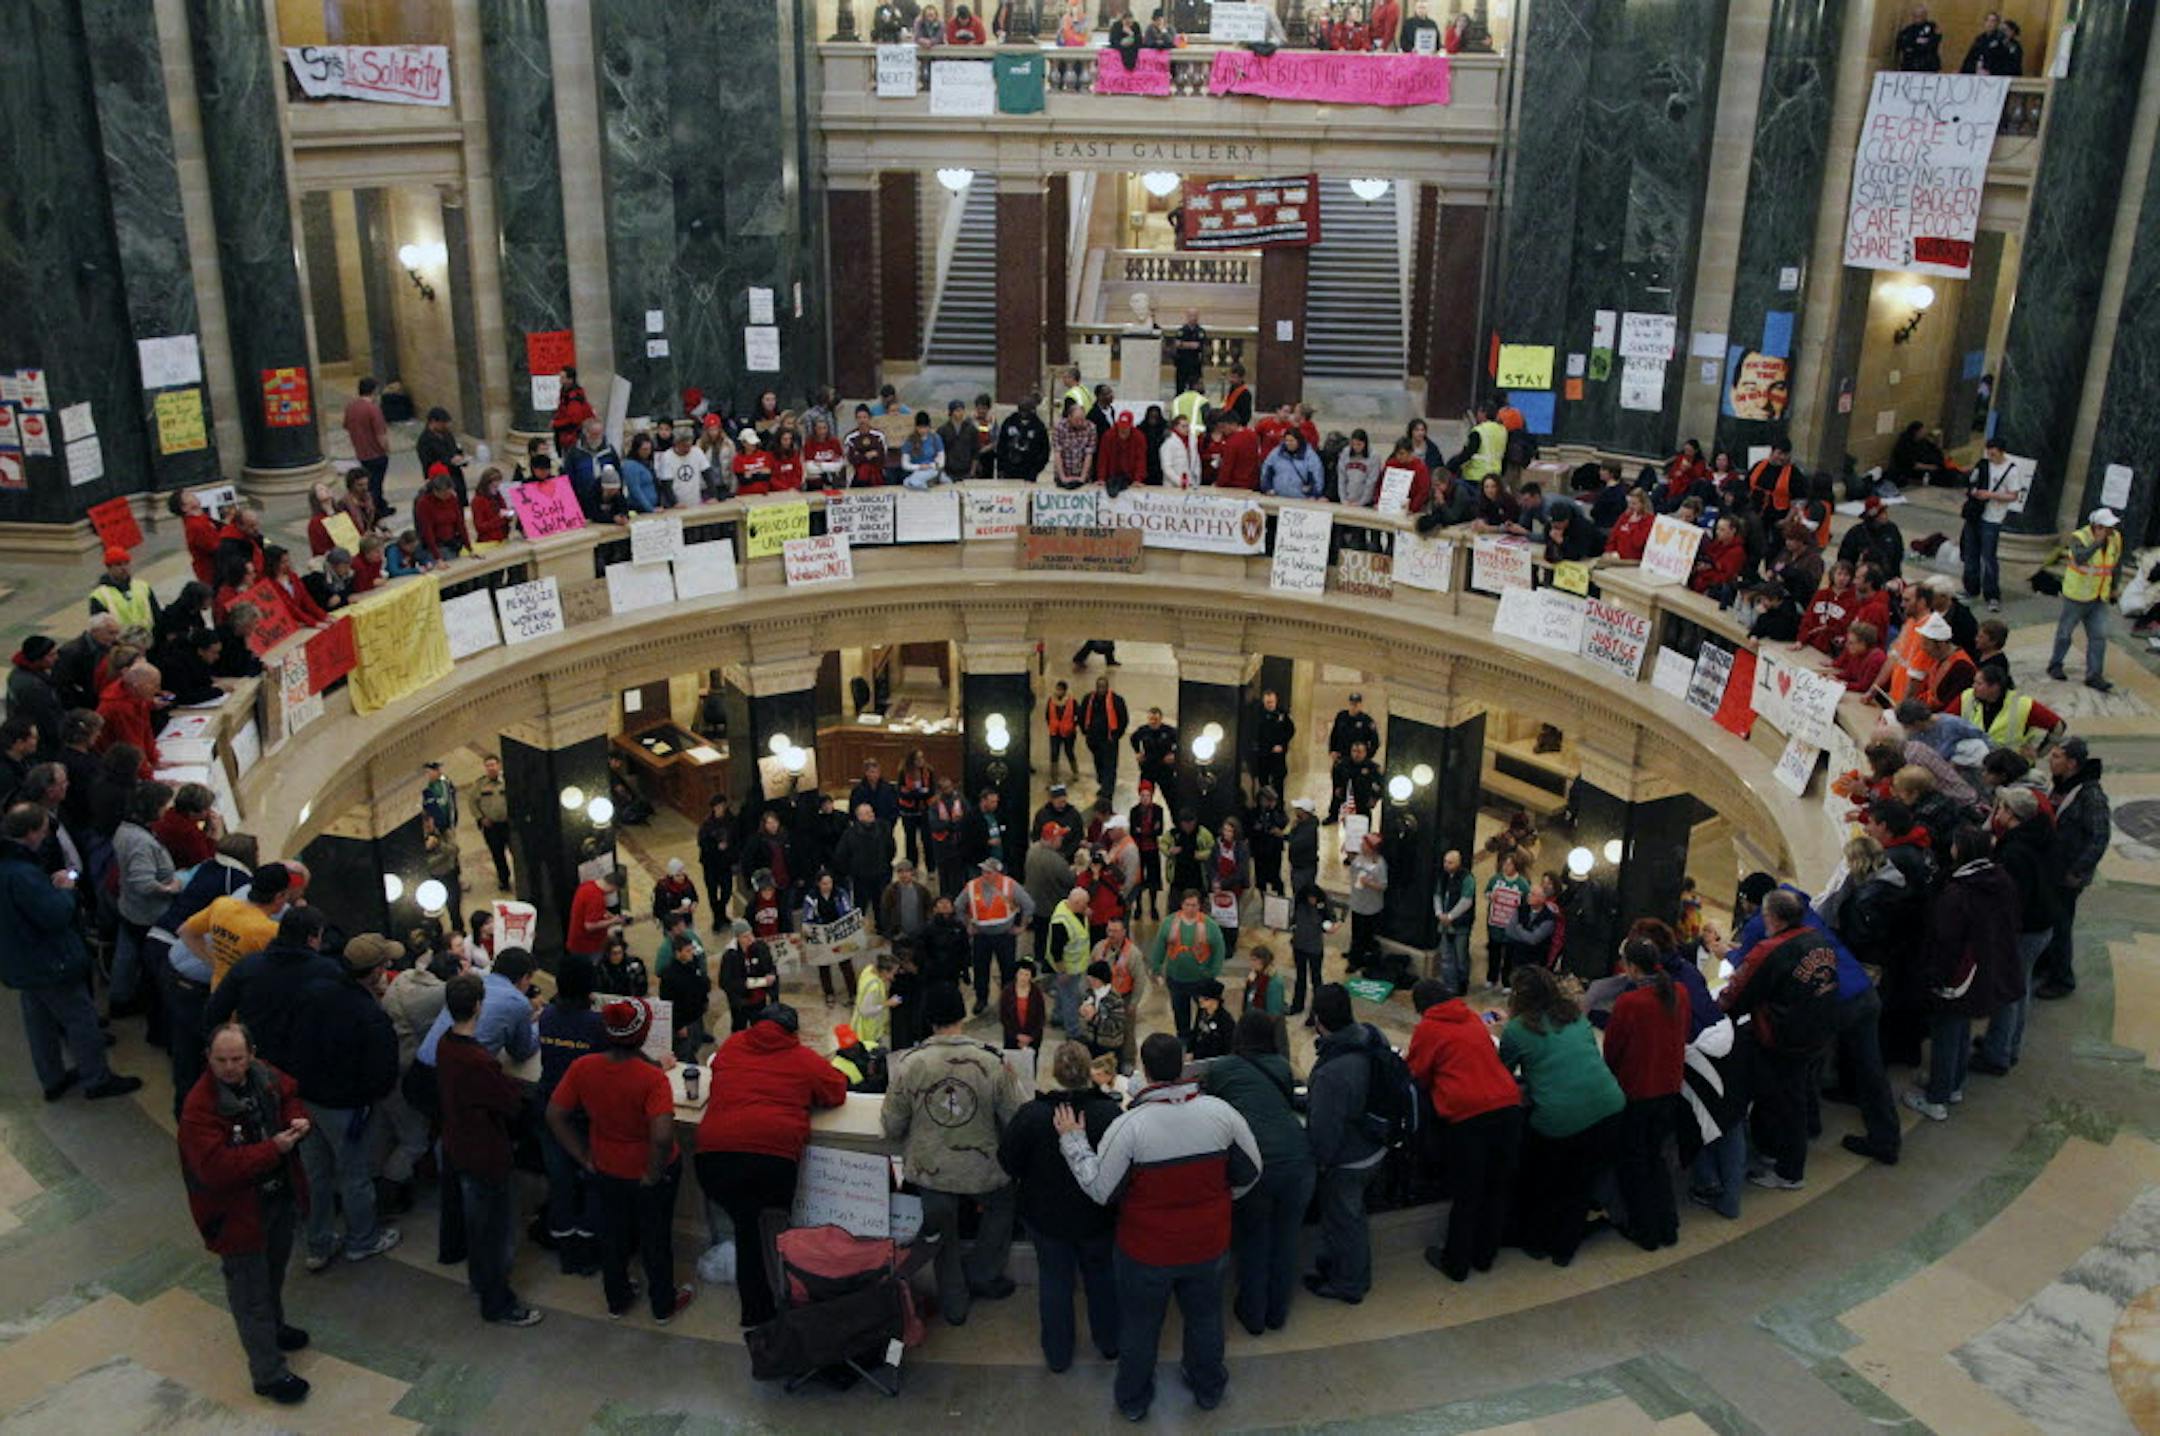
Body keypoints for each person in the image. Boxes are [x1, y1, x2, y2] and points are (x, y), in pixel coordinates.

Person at [1056, 1030, 1261, 1421]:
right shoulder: (1221, 1114)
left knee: (1140, 1327)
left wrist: (1074, 1141)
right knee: (1205, 1319)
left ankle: (1133, 1400)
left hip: (1146, 1253)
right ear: (1183, 1063)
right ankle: (1207, 1387)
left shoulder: (1131, 1127)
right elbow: (1252, 1171)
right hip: (1208, 1245)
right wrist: (1216, 1203)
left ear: (1145, 1073)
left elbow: (1101, 1189)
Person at [179, 1023, 314, 1404]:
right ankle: (268, 1374)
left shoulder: (263, 1075)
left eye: (237, 1059)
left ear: (251, 1054)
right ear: (208, 1058)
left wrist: (296, 1117)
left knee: (272, 1273)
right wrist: (274, 1149)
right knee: (249, 1293)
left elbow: (288, 1093)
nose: (230, 1067)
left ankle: (274, 1328)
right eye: (221, 1060)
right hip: (237, 1215)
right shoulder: (199, 1109)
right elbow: (216, 1169)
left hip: (274, 1200)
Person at [695, 1001, 848, 1326]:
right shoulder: (803, 1058)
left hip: (713, 1159)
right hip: (770, 1164)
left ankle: (758, 1310)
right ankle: (780, 1307)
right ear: (793, 1033)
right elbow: (836, 1091)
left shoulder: (733, 1046)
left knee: (747, 1228)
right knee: (769, 1231)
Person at [546, 998, 696, 1322]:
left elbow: (555, 1114)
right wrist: (653, 1173)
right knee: (656, 1238)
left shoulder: (583, 1067)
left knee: (612, 1234)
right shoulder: (652, 1079)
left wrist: (583, 1156)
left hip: (605, 1165)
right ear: (642, 1035)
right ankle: (662, 1304)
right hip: (647, 1171)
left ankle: (617, 1299)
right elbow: (661, 1135)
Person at [882, 984, 1023, 1325]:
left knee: (942, 1228)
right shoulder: (991, 1061)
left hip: (931, 1169)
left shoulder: (910, 1064)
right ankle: (983, 1272)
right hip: (983, 1168)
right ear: (962, 1017)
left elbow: (891, 1124)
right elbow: (1015, 1119)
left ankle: (954, 1302)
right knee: (1003, 1205)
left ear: (929, 1020)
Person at [998, 1041, 1123, 1371]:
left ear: (1054, 1072)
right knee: (1101, 1277)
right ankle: (1109, 1341)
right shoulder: (1108, 1112)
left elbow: (1008, 1161)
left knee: (1055, 1282)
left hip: (1046, 1218)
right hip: (1097, 1217)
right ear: (1089, 1073)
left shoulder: (1032, 1116)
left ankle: (1058, 1353)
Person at [1, 803, 139, 1100]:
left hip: (18, 962)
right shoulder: (23, 874)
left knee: (39, 1023)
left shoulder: (10, 867)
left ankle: (52, 1079)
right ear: (31, 833)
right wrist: (65, 891)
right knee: (81, 1019)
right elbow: (54, 916)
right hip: (50, 962)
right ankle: (96, 1078)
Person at [283, 933, 402, 1270]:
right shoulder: (369, 1014)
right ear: (376, 970)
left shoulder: (314, 991)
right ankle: (362, 1240)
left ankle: (318, 1244)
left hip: (306, 1099)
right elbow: (384, 1073)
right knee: (354, 1174)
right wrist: (364, 1098)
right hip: (345, 1108)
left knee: (317, 1173)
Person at [431, 973, 543, 1326]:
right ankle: (498, 1301)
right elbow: (508, 1102)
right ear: (479, 1005)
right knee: (495, 1229)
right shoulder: (478, 1060)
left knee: (478, 1223)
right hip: (486, 1152)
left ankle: (481, 1283)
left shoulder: (445, 1045)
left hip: (459, 1145)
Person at [1498, 966, 1623, 1265]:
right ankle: (1564, 1250)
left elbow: (1500, 1074)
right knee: (1579, 1184)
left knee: (1543, 1182)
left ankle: (1536, 1241)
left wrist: (1502, 1032)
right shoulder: (1576, 1017)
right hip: (1609, 1107)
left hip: (1560, 1122)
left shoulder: (1516, 1030)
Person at [1718, 890, 1841, 1189]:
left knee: (1786, 1102)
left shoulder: (1770, 950)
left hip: (1782, 1039)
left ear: (1771, 918)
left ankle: (1788, 1171)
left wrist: (1720, 1009)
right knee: (1791, 1098)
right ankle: (1773, 1150)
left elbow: (1737, 993)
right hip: (1816, 1033)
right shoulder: (1819, 940)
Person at [1405, 979, 1522, 1280]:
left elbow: (1416, 1072)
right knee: (1496, 1188)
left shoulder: (1428, 1028)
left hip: (1469, 1116)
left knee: (1467, 1193)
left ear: (1422, 1008)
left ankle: (1456, 1264)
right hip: (1508, 1106)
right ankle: (1484, 1256)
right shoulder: (1470, 1016)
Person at [1601, 936, 1688, 1249]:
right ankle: (1667, 1224)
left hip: (1638, 1091)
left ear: (1632, 967)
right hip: (1669, 1087)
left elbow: (1613, 1049)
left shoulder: (1630, 1003)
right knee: (1657, 1157)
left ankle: (1644, 1230)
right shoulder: (1678, 993)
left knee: (1635, 1162)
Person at [1304, 985, 1388, 1302]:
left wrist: (1320, 1162)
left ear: (1319, 1020)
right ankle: (1342, 1270)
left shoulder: (1332, 1073)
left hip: (1350, 1159)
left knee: (1345, 1221)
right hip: (1376, 1143)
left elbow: (1325, 1131)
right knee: (1350, 1217)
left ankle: (1349, 1284)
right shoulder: (1371, 1036)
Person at [2036, 737, 2109, 999]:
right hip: (2051, 867)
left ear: (2072, 763)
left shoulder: (2090, 794)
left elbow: (2099, 837)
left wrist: (2077, 871)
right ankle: (2045, 965)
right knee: (2049, 918)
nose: (2050, 760)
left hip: (2067, 873)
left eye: (2056, 756)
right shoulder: (2059, 786)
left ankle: (2061, 978)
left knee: (2061, 924)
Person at [2047, 508, 2123, 691]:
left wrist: (2113, 588)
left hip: (2099, 596)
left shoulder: (2116, 538)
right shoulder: (2080, 537)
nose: (2111, 530)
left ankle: (2094, 675)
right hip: (2077, 595)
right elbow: (2080, 558)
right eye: (2107, 527)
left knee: (2099, 636)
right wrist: (2097, 543)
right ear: (2097, 527)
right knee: (2065, 633)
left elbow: (2115, 564)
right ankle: (2055, 664)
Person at [1959, 438, 2030, 610]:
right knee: (1970, 554)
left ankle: (1992, 594)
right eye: (1988, 450)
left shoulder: (2011, 470)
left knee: (1988, 557)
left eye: (1993, 451)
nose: (1990, 453)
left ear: (2001, 451)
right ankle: (1971, 589)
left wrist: (1990, 495)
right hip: (1976, 514)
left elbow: (2013, 495)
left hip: (1993, 518)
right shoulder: (1983, 464)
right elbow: (1972, 482)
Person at [959, 853, 1034, 1015]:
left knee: (1007, 971)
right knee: (980, 970)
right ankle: (981, 999)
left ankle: (1007, 1001)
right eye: (983, 871)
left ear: (997, 873)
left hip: (1005, 936)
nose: (984, 875)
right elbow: (958, 906)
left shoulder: (1010, 886)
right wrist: (967, 926)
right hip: (981, 937)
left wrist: (1021, 927)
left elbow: (1028, 905)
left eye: (988, 872)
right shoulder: (972, 886)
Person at [1150, 888, 1226, 1040]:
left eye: (1194, 905)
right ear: (1182, 905)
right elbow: (1159, 946)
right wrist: (1156, 968)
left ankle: (1202, 1040)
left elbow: (1219, 949)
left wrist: (1213, 972)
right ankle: (1183, 1040)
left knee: (1204, 1014)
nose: (1190, 908)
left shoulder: (1210, 925)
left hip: (1201, 980)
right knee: (1180, 1014)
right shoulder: (1169, 923)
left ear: (1199, 906)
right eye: (1187, 904)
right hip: (1176, 979)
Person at [1079, 675, 1128, 796]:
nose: (1101, 689)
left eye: (1103, 687)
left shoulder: (1116, 700)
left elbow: (1123, 719)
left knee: (1110, 766)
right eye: (1099, 687)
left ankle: (1108, 791)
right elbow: (1081, 715)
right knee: (1099, 763)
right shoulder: (1088, 699)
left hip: (1109, 740)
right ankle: (1103, 784)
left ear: (1107, 687)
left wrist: (1116, 735)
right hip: (1094, 740)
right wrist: (1086, 732)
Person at [1345, 833, 1388, 969]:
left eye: (1364, 845)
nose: (1361, 847)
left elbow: (1383, 886)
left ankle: (1358, 960)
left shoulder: (1380, 864)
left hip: (1370, 906)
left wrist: (1369, 883)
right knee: (1356, 932)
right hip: (1358, 902)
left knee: (1365, 935)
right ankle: (1354, 953)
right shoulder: (1359, 858)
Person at [1000, 958, 1047, 1052]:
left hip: (1032, 1038)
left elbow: (1041, 1017)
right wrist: (1017, 1036)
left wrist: (1030, 1037)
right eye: (1021, 974)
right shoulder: (1007, 992)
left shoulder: (1036, 993)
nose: (1023, 977)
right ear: (1016, 974)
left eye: (1026, 975)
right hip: (1012, 1037)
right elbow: (1004, 1017)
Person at [1187, 978, 1234, 1059]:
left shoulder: (1225, 1020)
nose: (1200, 1000)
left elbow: (1225, 1047)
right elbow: (1195, 1031)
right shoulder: (1202, 1011)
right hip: (1198, 1055)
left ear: (1215, 1000)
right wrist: (1190, 1050)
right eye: (1199, 997)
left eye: (1205, 999)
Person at [1895, 3, 1942, 68]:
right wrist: (1916, 43)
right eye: (1915, 16)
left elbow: (1931, 44)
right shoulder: (1908, 30)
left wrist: (1915, 45)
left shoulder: (1932, 27)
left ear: (1925, 16)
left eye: (1920, 16)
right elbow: (1902, 44)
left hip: (1928, 65)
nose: (1917, 18)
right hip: (1910, 64)